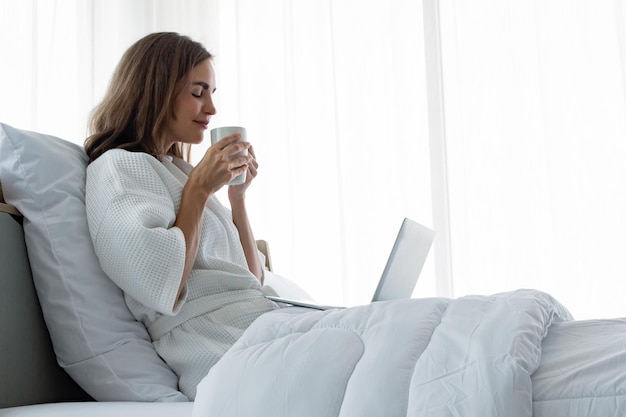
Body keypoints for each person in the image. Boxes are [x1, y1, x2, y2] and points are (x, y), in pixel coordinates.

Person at [84, 32, 280, 399]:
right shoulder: (118, 169)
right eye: (197, 92)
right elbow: (159, 280)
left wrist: (237, 199)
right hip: (215, 343)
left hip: (255, 324)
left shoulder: (179, 172)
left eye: (212, 93)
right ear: (156, 90)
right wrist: (200, 191)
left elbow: (250, 279)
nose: (211, 109)